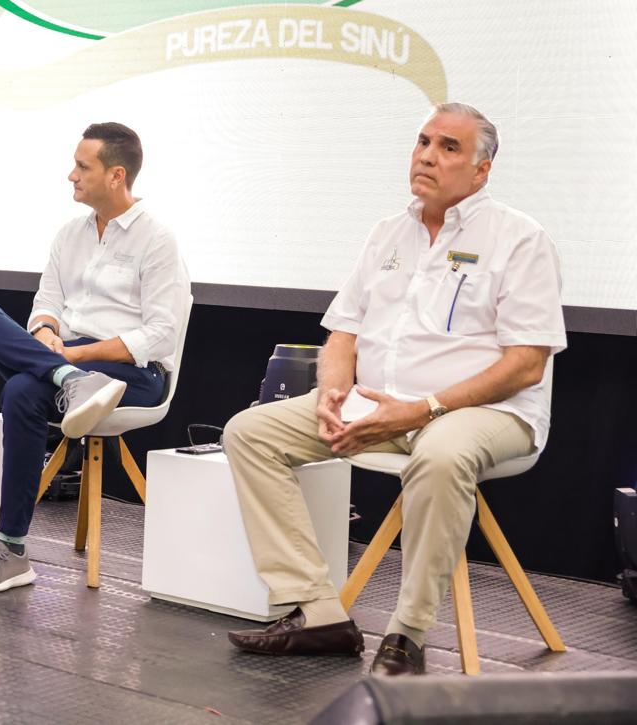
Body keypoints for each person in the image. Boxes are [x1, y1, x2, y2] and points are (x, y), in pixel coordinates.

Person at [222, 103, 566, 676]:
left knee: (441, 453)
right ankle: (317, 612)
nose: (428, 155)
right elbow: (342, 334)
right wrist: (333, 391)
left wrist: (422, 409)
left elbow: (526, 366)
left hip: (482, 411)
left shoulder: (519, 239)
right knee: (250, 432)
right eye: (423, 141)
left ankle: (407, 635)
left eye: (449, 147)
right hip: (378, 402)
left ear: (481, 171)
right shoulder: (388, 233)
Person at [0, 123, 189, 594]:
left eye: (83, 166)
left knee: (21, 388)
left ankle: (11, 548)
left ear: (116, 175)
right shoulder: (69, 235)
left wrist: (74, 353)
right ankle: (63, 377)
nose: (70, 175)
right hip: (70, 364)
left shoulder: (157, 239)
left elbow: (160, 335)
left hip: (133, 374)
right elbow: (46, 304)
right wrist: (46, 334)